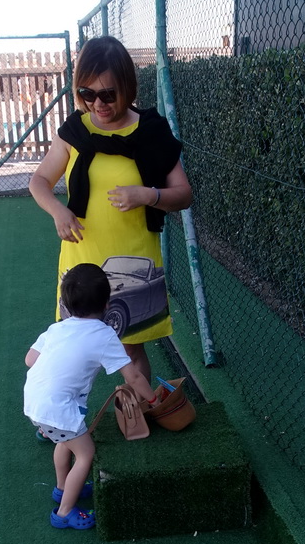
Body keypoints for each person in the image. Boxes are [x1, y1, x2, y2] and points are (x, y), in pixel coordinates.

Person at [28, 35, 192, 383]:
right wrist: (58, 211)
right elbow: (39, 181)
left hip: (134, 256)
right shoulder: (74, 131)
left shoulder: (151, 131)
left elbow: (183, 194)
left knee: (131, 347)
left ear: (127, 87)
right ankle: (56, 416)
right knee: (68, 344)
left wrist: (148, 195)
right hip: (81, 259)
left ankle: (140, 411)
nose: (97, 103)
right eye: (87, 93)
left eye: (108, 94)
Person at [24, 262, 158, 531]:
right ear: (107, 303)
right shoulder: (104, 335)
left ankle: (63, 488)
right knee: (85, 454)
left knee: (65, 442)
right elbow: (132, 377)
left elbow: (29, 360)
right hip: (59, 409)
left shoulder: (56, 328)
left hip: (34, 401)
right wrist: (153, 399)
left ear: (65, 302)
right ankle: (64, 513)